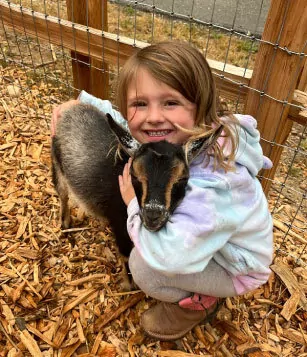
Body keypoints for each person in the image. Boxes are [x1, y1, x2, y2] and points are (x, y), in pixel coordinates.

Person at [51, 41, 273, 341]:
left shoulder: (212, 187)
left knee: (143, 269)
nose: (154, 116)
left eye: (170, 103)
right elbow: (122, 121)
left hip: (236, 266)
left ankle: (198, 305)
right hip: (216, 235)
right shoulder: (177, 142)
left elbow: (168, 257)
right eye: (140, 104)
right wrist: (83, 101)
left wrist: (132, 204)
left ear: (201, 108)